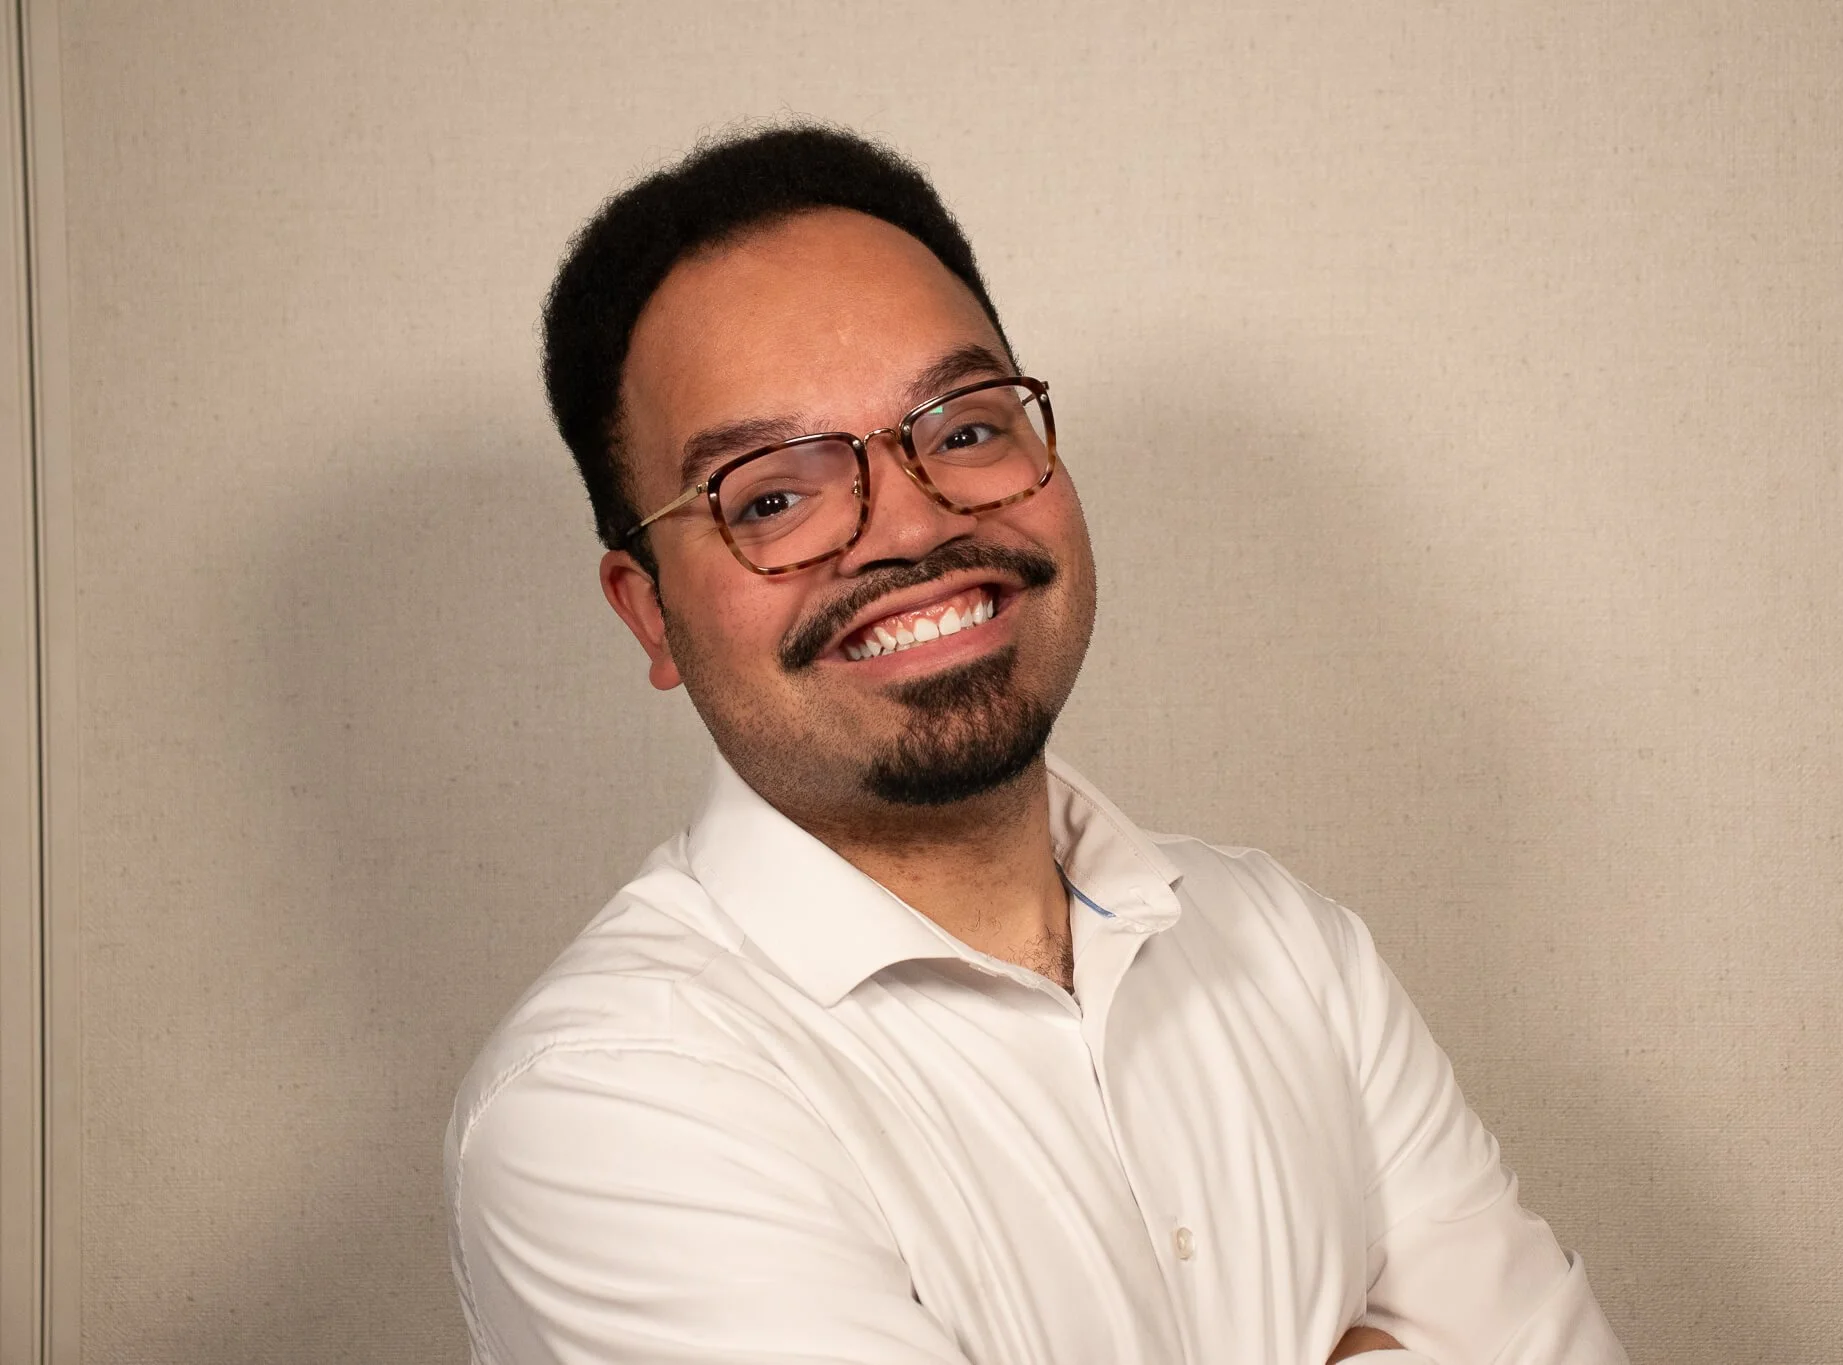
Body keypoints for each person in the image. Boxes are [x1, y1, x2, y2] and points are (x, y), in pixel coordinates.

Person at [444, 123, 1630, 1365]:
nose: (904, 526)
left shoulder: (1290, 949)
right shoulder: (606, 1104)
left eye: (959, 428)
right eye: (774, 495)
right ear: (651, 613)